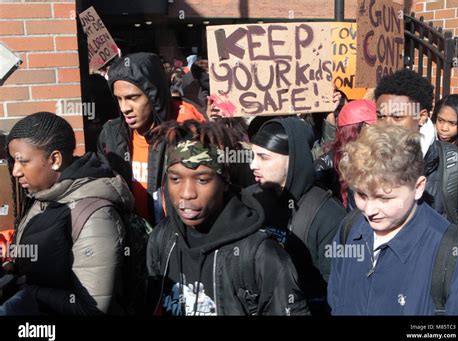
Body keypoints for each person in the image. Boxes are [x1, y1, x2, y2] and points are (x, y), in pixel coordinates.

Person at [146, 120, 309, 316]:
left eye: (202, 180)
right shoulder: (162, 238)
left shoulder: (261, 255)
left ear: (224, 182)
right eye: (175, 179)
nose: (187, 193)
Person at [328, 124, 458, 315]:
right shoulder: (349, 228)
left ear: (419, 187)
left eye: (384, 198)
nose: (369, 211)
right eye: (362, 195)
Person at [5, 112, 133, 315]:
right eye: (14, 162)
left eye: (24, 162)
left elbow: (91, 309)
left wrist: (27, 290)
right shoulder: (44, 195)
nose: (15, 171)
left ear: (55, 159)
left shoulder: (95, 217)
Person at [248, 117, 346, 314]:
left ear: (293, 159)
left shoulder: (328, 216)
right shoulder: (248, 200)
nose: (252, 165)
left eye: (263, 157)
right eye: (252, 156)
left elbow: (337, 291)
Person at [374, 69, 458, 232]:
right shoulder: (363, 163)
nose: (386, 126)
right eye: (380, 116)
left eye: (397, 117)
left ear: (421, 116)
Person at [97, 52, 170, 226]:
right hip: (133, 241)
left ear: (154, 95)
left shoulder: (183, 133)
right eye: (119, 99)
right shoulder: (110, 135)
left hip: (174, 242)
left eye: (132, 98)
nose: (124, 108)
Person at [314, 100, 377, 208]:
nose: (380, 131)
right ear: (360, 128)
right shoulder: (324, 167)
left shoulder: (382, 160)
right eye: (374, 126)